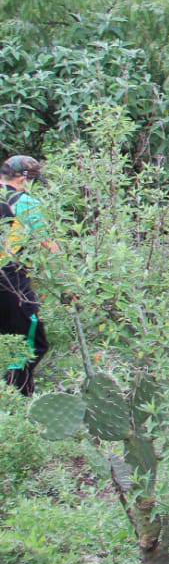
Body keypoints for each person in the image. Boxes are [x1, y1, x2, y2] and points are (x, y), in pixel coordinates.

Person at [2, 156, 58, 396]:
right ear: (25, 179)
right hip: (8, 280)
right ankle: (14, 398)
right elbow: (50, 246)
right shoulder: (24, 202)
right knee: (31, 343)